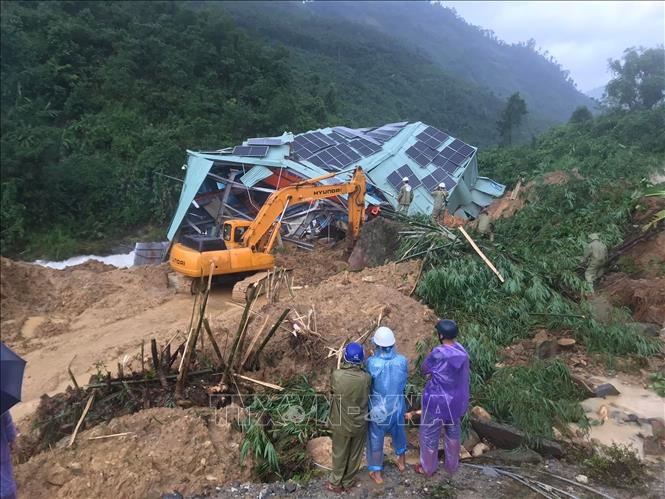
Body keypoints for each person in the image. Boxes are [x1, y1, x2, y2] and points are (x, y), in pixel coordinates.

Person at [416, 319, 470, 477]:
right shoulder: (462, 351)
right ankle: (452, 465)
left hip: (437, 400)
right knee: (453, 432)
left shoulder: (438, 353)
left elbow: (424, 369)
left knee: (429, 434)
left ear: (440, 335)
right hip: (456, 400)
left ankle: (428, 468)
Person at [366, 327, 409, 485]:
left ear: (377, 345)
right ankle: (402, 463)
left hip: (379, 409)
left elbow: (368, 384)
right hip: (397, 407)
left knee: (375, 439)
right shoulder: (402, 361)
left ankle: (377, 474)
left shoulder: (371, 363)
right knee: (400, 434)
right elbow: (404, 382)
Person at [327, 342, 371, 493]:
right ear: (361, 359)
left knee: (340, 452)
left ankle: (335, 482)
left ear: (345, 357)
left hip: (341, 423)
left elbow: (332, 390)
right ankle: (348, 481)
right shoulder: (366, 378)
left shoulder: (337, 375)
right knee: (355, 454)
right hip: (360, 423)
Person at [1, 410, 17, 499]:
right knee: (7, 482)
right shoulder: (2, 404)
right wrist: (12, 440)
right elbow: (8, 423)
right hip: (2, 451)